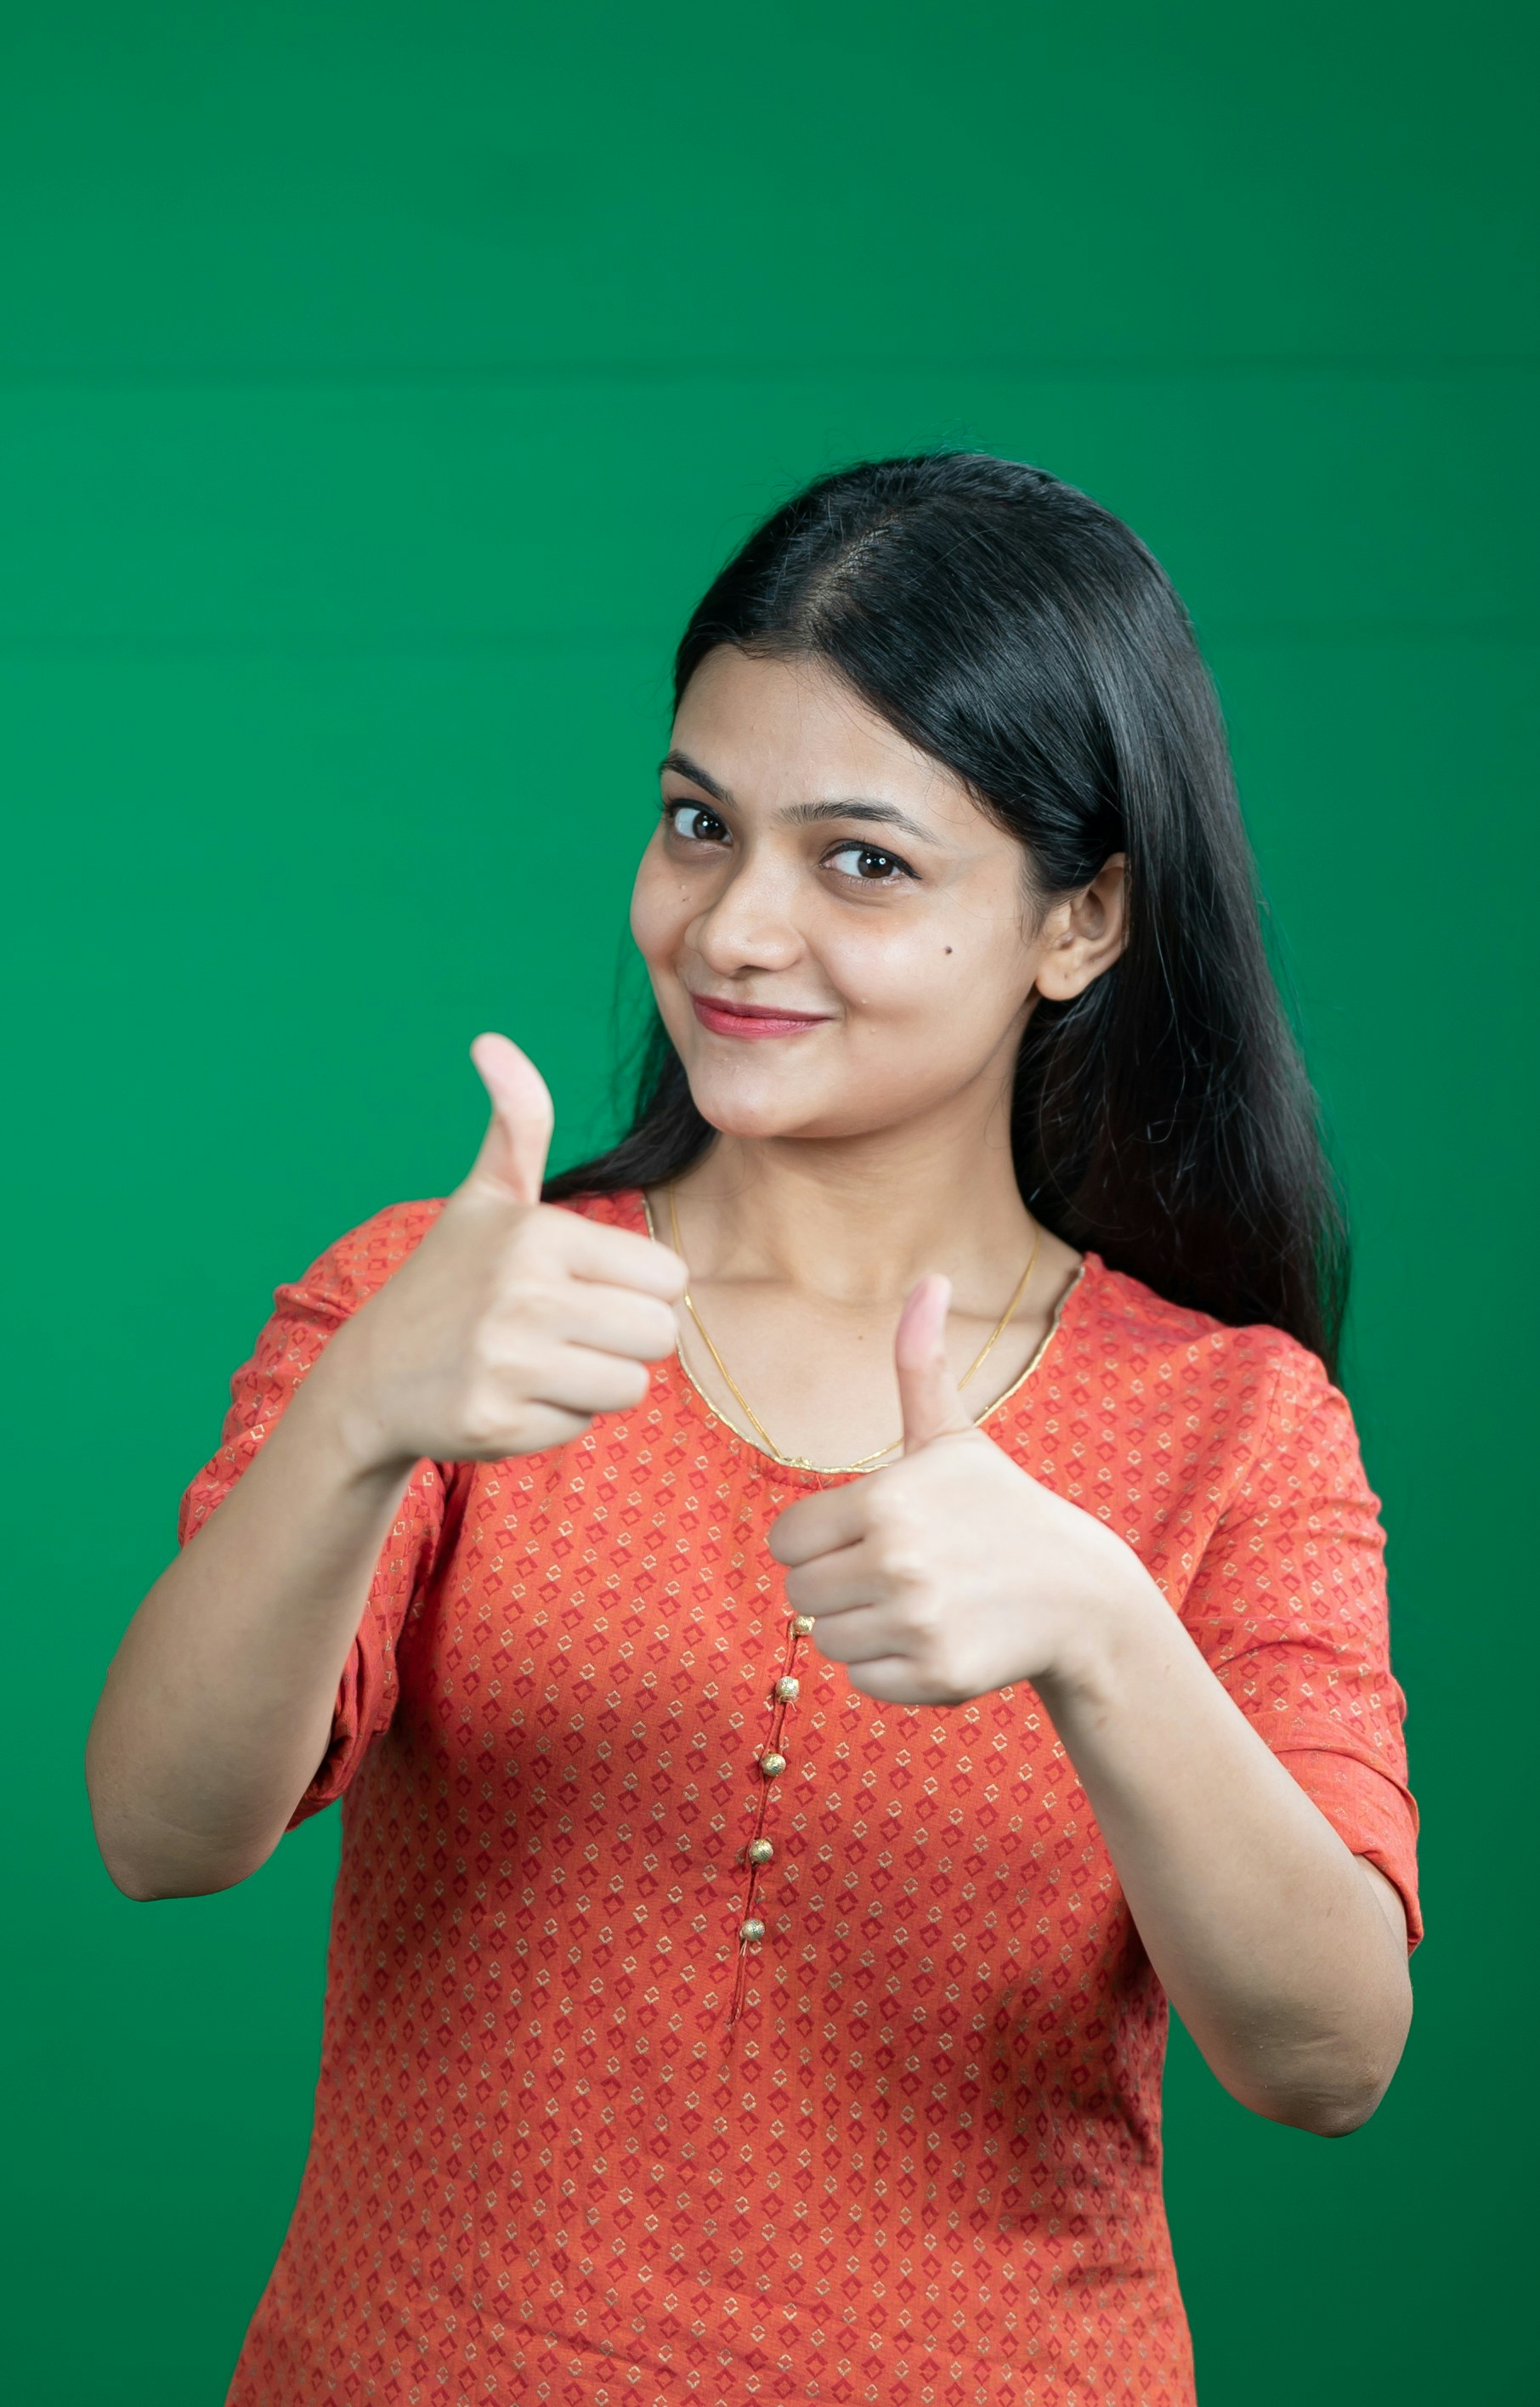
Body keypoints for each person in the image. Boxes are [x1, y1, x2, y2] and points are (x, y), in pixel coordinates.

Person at [88, 453, 1418, 2407]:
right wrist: (361, 1419)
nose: (734, 928)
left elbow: (1328, 2059)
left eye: (860, 861)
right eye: (699, 825)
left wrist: (1102, 1631)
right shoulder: (458, 1306)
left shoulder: (1238, 1427)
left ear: (1082, 921)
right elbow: (158, 1833)